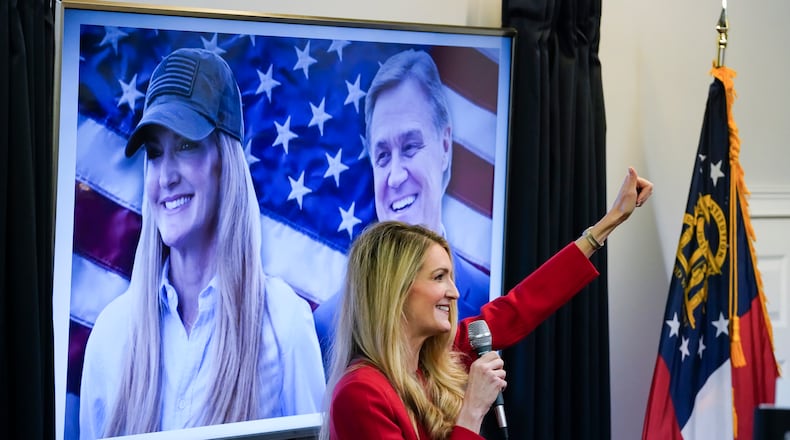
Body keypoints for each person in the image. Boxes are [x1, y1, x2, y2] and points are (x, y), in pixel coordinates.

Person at [79, 48, 325, 439]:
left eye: (186, 146)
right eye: (155, 154)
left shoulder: (284, 323)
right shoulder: (111, 335)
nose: (166, 176)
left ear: (225, 164)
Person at [320, 166, 653, 439]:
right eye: (439, 278)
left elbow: (521, 306)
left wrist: (608, 223)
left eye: (451, 277)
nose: (453, 293)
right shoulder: (360, 393)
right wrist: (472, 410)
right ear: (395, 291)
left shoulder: (436, 357)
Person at [313, 49, 488, 365]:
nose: (395, 176)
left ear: (445, 146)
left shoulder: (486, 296)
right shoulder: (328, 324)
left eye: (410, 147)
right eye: (382, 156)